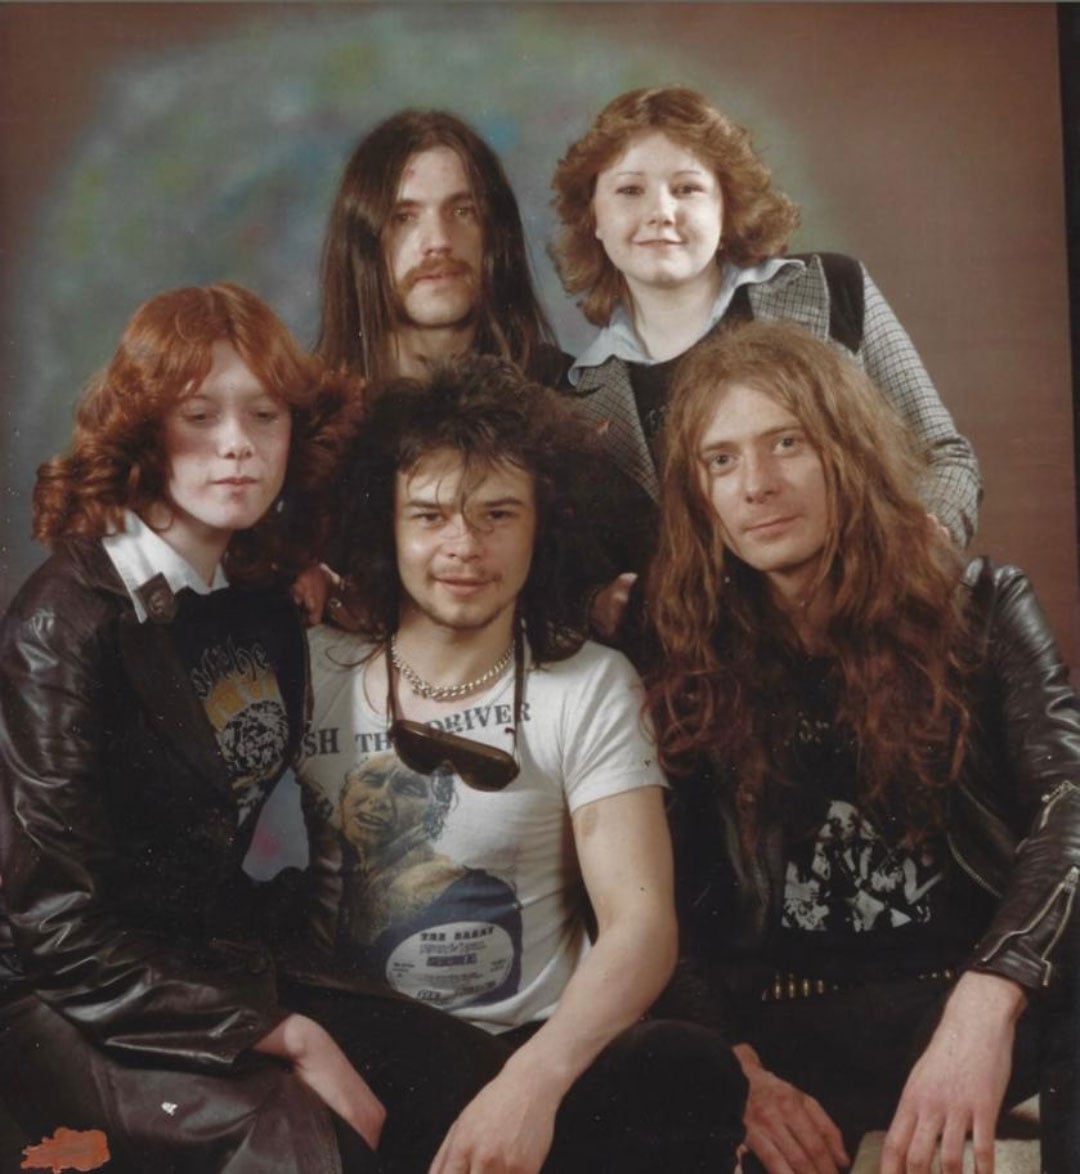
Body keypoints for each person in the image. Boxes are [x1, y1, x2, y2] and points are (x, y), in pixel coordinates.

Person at [0, 284, 507, 1174]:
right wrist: (281, 1032)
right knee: (290, 1131)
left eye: (263, 415)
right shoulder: (64, 621)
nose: (236, 443)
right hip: (61, 995)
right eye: (199, 415)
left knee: (462, 1073)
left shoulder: (257, 599)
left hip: (207, 963)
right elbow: (52, 926)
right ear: (144, 434)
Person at [645, 319, 1078, 1172]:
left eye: (787, 444)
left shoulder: (982, 607)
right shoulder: (678, 650)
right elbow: (663, 899)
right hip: (782, 1031)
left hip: (965, 995)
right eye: (721, 460)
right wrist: (736, 1069)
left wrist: (988, 1003)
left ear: (849, 451)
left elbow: (1071, 806)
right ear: (699, 495)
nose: (757, 485)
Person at [297, 354, 747, 1172]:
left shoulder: (587, 686)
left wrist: (530, 1088)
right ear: (384, 525)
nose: (463, 547)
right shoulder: (311, 675)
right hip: (371, 1055)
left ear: (544, 524)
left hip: (542, 1054)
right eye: (430, 516)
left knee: (684, 1068)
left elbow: (642, 926)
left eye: (498, 514)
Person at [551, 85, 981, 571]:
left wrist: (926, 538)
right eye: (630, 191)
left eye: (687, 188)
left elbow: (944, 454)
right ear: (594, 221)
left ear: (726, 207)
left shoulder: (831, 287)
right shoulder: (582, 397)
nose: (661, 212)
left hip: (873, 605)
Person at [318, 107, 567, 387]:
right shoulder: (304, 417)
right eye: (404, 218)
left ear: (496, 233)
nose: (439, 241)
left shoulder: (570, 397)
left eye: (462, 212)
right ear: (362, 242)